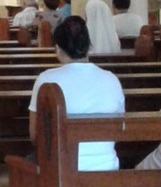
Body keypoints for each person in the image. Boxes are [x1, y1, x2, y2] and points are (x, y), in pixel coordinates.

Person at [28, 17, 124, 172]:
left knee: (27, 162)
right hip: (106, 168)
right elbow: (119, 130)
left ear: (58, 48)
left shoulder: (46, 79)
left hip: (61, 170)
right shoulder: (111, 79)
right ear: (88, 46)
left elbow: (35, 135)